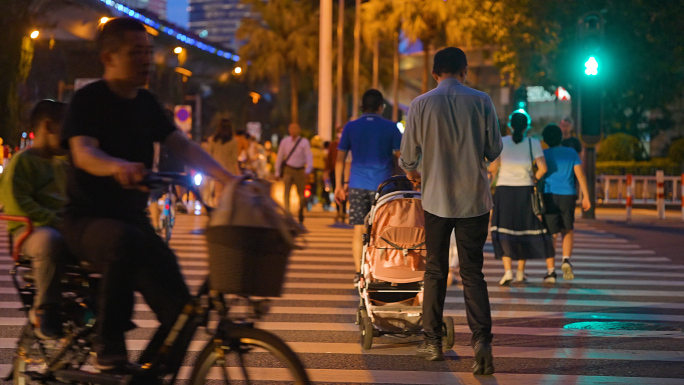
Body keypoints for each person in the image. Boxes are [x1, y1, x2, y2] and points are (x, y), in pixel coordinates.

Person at [58, 17, 237, 371]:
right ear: (108, 57)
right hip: (87, 220)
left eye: (149, 52)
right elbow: (84, 153)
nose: (146, 60)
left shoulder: (147, 103)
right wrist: (117, 167)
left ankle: (148, 379)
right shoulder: (87, 100)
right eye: (135, 52)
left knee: (184, 313)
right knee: (121, 241)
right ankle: (108, 347)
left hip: (134, 221)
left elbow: (182, 145)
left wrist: (231, 179)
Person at [399, 47, 503, 371]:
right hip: (474, 200)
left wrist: (414, 170)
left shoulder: (420, 104)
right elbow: (494, 148)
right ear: (465, 71)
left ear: (434, 74)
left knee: (435, 270)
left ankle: (431, 342)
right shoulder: (482, 101)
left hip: (436, 199)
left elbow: (407, 158)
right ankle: (482, 342)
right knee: (473, 273)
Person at [0, 100, 71, 340]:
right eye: (66, 128)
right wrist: (53, 220)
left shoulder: (62, 165)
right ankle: (45, 310)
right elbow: (18, 203)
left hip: (61, 228)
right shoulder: (22, 161)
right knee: (49, 241)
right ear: (49, 126)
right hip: (29, 231)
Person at [334, 89, 402, 283]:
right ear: (381, 107)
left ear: (362, 107)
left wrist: (340, 184)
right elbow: (401, 157)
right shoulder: (391, 128)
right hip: (383, 187)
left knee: (358, 229)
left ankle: (359, 273)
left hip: (356, 185)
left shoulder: (351, 127)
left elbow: (340, 159)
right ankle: (378, 272)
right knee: (381, 231)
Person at [488, 111, 554, 285]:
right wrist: (534, 178)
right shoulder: (534, 144)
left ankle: (508, 271)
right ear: (527, 127)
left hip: (504, 191)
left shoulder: (501, 142)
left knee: (504, 230)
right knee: (523, 229)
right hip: (525, 189)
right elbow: (543, 168)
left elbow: (493, 168)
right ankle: (520, 272)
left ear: (510, 126)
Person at [541, 124, 592, 280]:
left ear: (545, 140)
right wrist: (586, 196)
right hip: (568, 195)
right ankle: (565, 259)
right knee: (567, 230)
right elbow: (580, 175)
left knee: (551, 234)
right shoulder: (571, 152)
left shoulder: (543, 154)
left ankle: (550, 272)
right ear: (561, 137)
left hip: (548, 194)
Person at [275, 123, 313, 223]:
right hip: (288, 169)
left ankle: (301, 210)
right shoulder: (285, 142)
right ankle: (287, 213)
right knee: (286, 192)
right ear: (289, 130)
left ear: (299, 130)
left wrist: (308, 169)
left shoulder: (304, 142)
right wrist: (277, 172)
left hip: (300, 170)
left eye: (295, 128)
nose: (293, 130)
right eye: (291, 128)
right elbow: (279, 157)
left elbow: (309, 157)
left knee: (301, 194)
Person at [209, 118, 241, 205]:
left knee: (218, 194)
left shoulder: (212, 140)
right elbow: (234, 160)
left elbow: (209, 156)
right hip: (229, 172)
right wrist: (238, 175)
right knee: (228, 197)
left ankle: (217, 214)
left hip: (217, 171)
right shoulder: (233, 141)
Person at [325, 126, 348, 223]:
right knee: (336, 189)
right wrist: (326, 171)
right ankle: (339, 211)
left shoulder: (348, 144)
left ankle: (343, 211)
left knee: (345, 190)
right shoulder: (333, 145)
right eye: (339, 132)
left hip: (346, 171)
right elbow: (329, 158)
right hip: (334, 171)